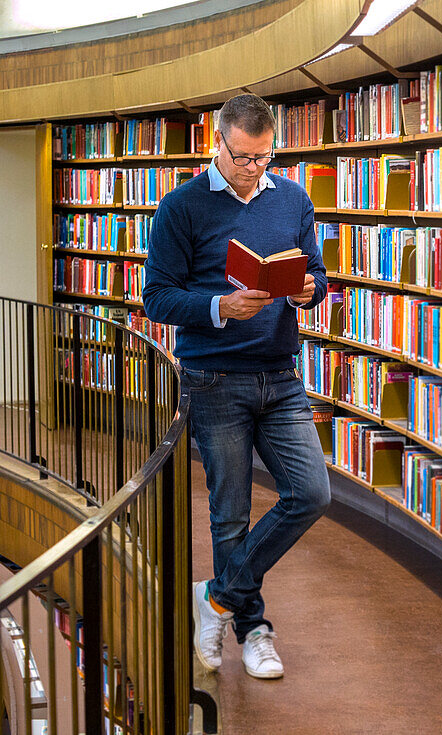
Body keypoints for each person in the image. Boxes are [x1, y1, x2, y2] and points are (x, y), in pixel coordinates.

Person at [143, 93, 330, 680]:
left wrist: (308, 291)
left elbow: (317, 273)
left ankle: (217, 598)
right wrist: (220, 306)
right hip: (214, 378)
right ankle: (253, 630)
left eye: (265, 156)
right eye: (244, 156)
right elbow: (158, 297)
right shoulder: (181, 208)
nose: (255, 168)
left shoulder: (293, 199)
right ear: (216, 143)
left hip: (281, 373)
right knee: (229, 516)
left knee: (312, 494)